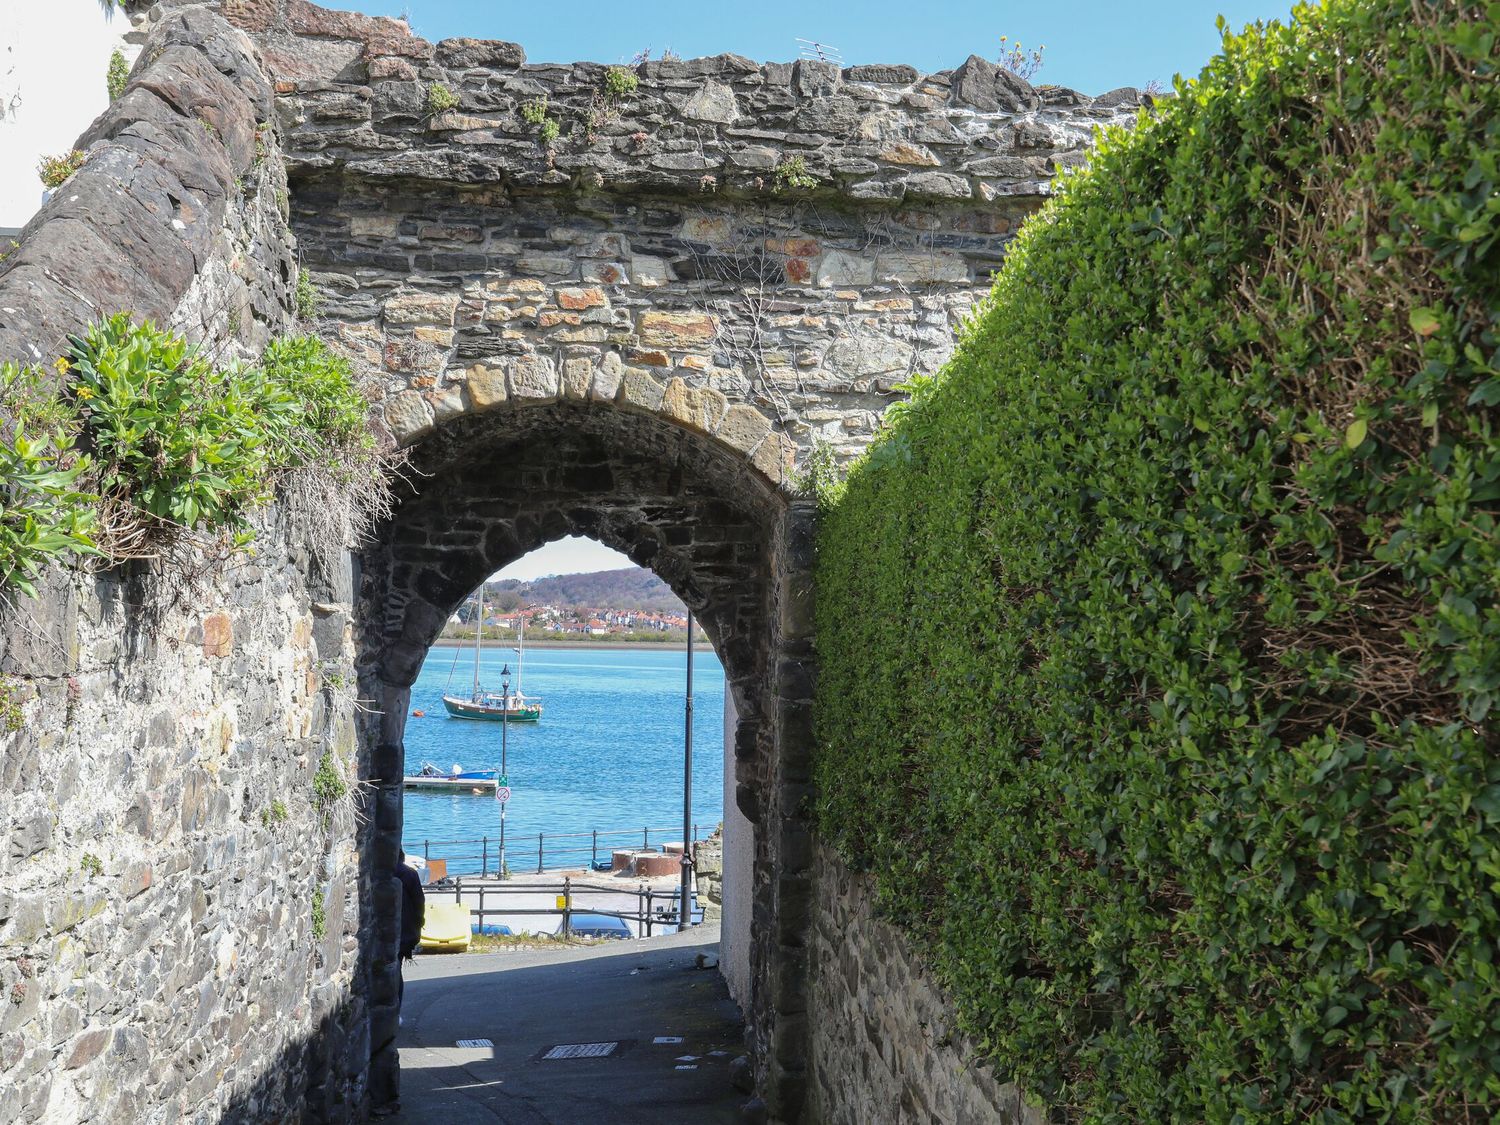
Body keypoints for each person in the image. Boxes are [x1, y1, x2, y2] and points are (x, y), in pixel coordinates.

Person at [395, 850, 425, 1008]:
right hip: (404, 931)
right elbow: (419, 903)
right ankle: (396, 1009)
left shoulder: (378, 873)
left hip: (390, 930)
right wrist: (418, 925)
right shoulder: (410, 874)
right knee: (396, 970)